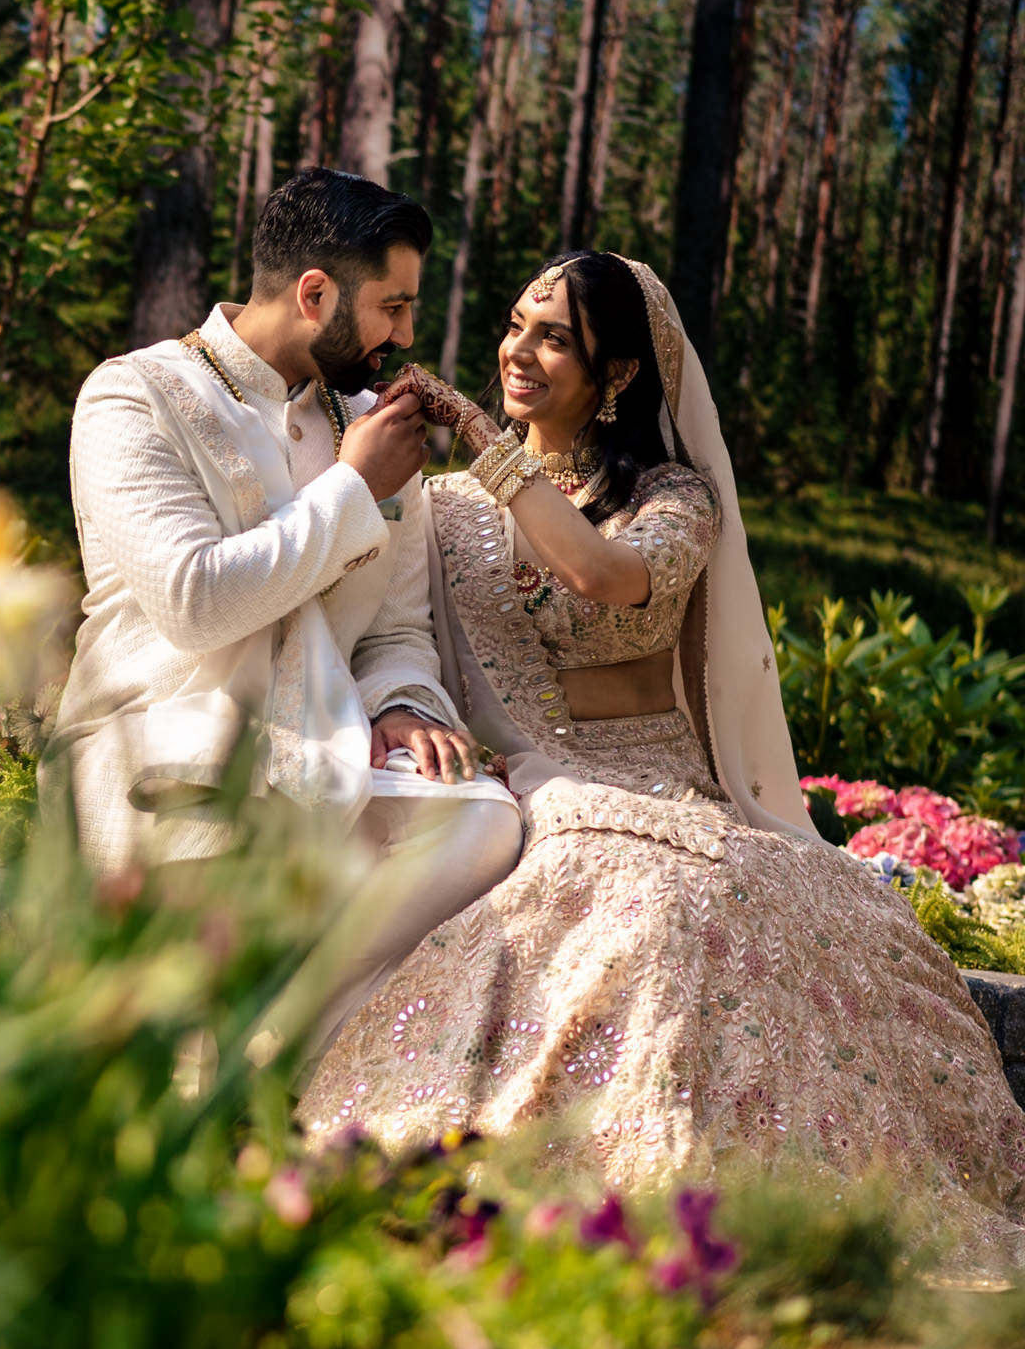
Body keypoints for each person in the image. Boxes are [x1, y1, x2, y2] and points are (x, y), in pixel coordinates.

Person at [301, 250, 1025, 1272]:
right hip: (532, 784)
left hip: (665, 787)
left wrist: (477, 435)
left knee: (697, 902)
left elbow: (604, 575)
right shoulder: (447, 509)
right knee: (610, 893)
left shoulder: (674, 498)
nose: (519, 349)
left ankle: (735, 1193)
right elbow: (397, 638)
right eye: (516, 323)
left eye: (555, 336)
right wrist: (407, 712)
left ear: (623, 374)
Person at [42, 168, 522, 1045]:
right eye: (393, 306)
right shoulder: (132, 397)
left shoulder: (370, 423)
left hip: (328, 753)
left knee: (482, 820)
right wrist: (353, 487)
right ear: (315, 293)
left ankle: (278, 1039)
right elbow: (196, 599)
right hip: (167, 746)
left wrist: (406, 704)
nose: (406, 334)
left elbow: (398, 629)